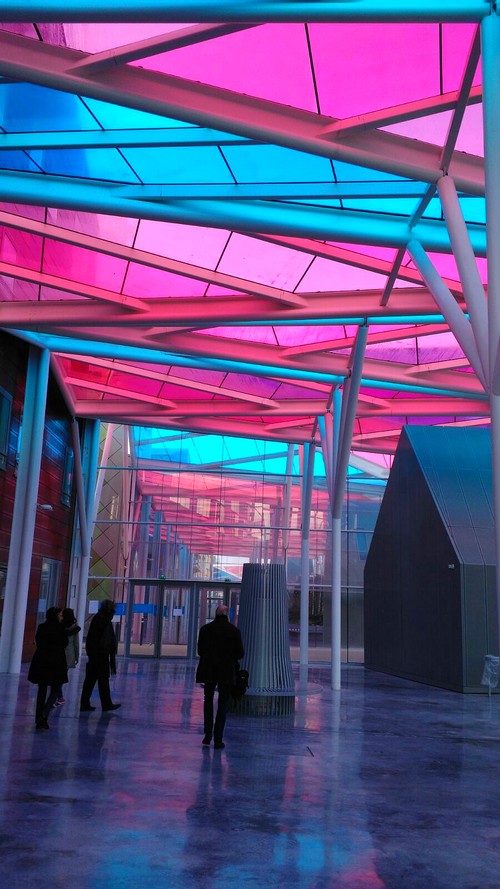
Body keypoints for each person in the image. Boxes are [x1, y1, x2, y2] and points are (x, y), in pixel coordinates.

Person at [196, 604, 244, 749]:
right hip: (226, 671)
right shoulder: (234, 631)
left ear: (216, 613)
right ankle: (218, 738)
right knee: (223, 703)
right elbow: (240, 653)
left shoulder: (205, 629)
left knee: (208, 700)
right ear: (227, 614)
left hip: (209, 670)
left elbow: (200, 651)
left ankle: (207, 734)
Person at [28, 606, 68, 730]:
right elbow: (65, 643)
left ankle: (38, 718)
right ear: (56, 616)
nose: (62, 618)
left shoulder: (42, 627)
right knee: (55, 689)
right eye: (60, 615)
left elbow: (39, 642)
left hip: (42, 661)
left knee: (42, 691)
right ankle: (44, 714)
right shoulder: (60, 628)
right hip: (56, 662)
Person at [79, 600, 121, 713]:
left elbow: (92, 638)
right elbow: (106, 639)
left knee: (91, 680)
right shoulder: (104, 620)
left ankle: (85, 703)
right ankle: (106, 704)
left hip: (95, 654)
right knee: (102, 680)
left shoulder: (99, 619)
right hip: (101, 654)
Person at [55, 607, 81, 705]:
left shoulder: (59, 626)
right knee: (62, 676)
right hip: (68, 655)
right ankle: (58, 696)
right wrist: (76, 656)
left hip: (58, 653)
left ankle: (58, 695)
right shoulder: (75, 628)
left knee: (57, 675)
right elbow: (76, 644)